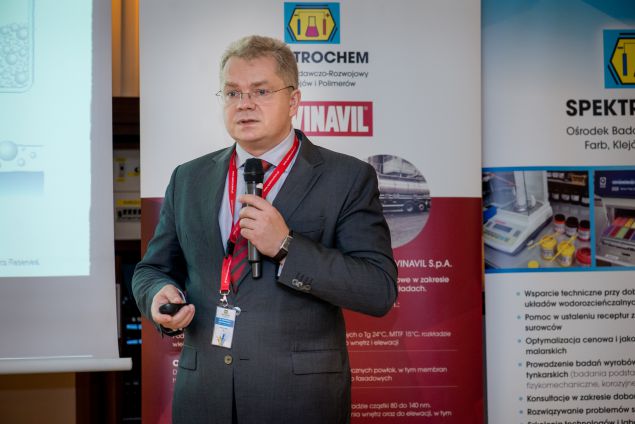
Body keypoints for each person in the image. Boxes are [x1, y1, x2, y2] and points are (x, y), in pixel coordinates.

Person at [132, 35, 397, 424]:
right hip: (204, 397)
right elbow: (152, 270)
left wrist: (286, 246)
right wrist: (157, 296)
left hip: (298, 400)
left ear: (293, 101)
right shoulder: (188, 178)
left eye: (260, 91)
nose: (244, 104)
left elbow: (378, 289)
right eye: (232, 93)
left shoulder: (347, 177)